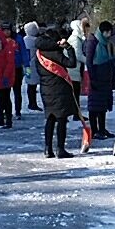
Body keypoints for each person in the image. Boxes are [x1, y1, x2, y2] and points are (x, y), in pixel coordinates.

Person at [35, 27, 78, 158]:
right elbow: (72, 63)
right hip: (59, 90)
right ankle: (60, 149)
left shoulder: (39, 54)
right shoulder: (56, 54)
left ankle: (48, 149)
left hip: (46, 89)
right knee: (61, 119)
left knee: (50, 118)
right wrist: (69, 48)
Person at [84, 20, 115, 139]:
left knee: (103, 106)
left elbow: (111, 60)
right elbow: (89, 61)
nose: (109, 35)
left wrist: (113, 79)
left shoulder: (106, 43)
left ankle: (102, 129)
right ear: (103, 32)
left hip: (106, 78)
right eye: (108, 32)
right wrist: (92, 79)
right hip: (96, 77)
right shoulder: (93, 42)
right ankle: (94, 130)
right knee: (94, 106)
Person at [66, 18, 89, 104]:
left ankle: (77, 113)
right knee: (75, 92)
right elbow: (77, 55)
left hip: (75, 68)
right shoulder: (75, 39)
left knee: (76, 92)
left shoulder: (77, 38)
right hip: (73, 70)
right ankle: (76, 113)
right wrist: (88, 61)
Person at [23, 22, 44, 111]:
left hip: (26, 66)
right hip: (35, 65)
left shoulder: (24, 40)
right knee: (34, 85)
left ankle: (31, 102)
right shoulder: (36, 41)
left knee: (30, 84)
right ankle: (33, 103)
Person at [13, 25, 30, 120]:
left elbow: (24, 52)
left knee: (17, 90)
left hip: (17, 67)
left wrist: (27, 66)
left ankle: (18, 110)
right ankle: (5, 111)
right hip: (6, 68)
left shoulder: (18, 39)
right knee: (5, 92)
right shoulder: (1, 39)